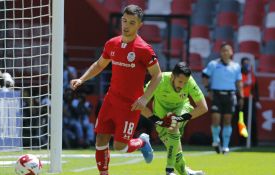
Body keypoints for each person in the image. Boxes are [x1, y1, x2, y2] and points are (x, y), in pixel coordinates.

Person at [70, 5, 162, 175]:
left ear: (139, 25)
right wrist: (82, 79)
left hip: (130, 105)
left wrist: (145, 98)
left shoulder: (144, 49)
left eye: (132, 22)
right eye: (124, 21)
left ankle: (142, 142)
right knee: (100, 139)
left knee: (120, 146)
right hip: (111, 100)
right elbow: (99, 65)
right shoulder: (112, 44)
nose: (126, 25)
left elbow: (157, 75)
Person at [141, 62, 208, 175]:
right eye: (180, 81)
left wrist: (180, 118)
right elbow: (139, 104)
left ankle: (169, 170)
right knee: (176, 153)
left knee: (173, 123)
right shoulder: (159, 80)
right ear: (172, 76)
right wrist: (157, 120)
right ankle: (187, 172)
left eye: (184, 82)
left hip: (182, 109)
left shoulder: (190, 82)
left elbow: (203, 107)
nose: (182, 85)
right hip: (160, 117)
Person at [202, 43, 244, 154]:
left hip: (230, 95)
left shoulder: (236, 66)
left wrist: (241, 97)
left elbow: (239, 83)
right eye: (223, 50)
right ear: (220, 52)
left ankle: (225, 146)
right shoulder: (213, 64)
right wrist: (208, 90)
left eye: (227, 50)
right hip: (217, 95)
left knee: (227, 120)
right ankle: (216, 140)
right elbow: (205, 77)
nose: (225, 52)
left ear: (231, 52)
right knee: (215, 118)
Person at [239, 57, 261, 146]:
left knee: (252, 121)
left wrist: (257, 101)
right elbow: (236, 86)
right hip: (241, 100)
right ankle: (242, 142)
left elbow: (255, 88)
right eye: (245, 63)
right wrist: (244, 85)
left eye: (248, 63)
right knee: (241, 121)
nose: (246, 65)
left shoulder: (252, 75)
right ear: (242, 64)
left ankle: (254, 142)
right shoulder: (238, 74)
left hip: (250, 101)